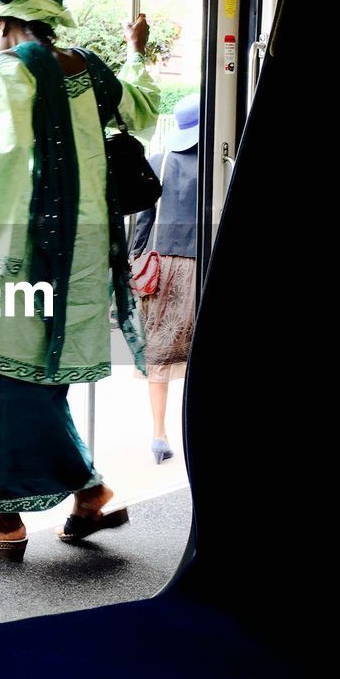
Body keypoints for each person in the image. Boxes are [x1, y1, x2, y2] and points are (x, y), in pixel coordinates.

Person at [0, 0, 159, 560]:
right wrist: (137, 52)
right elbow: (142, 113)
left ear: (5, 20)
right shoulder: (92, 69)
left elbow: (4, 166)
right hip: (90, 260)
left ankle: (20, 517)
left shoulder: (6, 73)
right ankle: (78, 499)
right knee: (44, 381)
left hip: (29, 251)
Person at [130, 92, 199, 464]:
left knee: (158, 350)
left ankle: (159, 435)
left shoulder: (159, 161)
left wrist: (134, 260)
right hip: (200, 263)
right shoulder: (218, 164)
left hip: (162, 267)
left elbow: (143, 221)